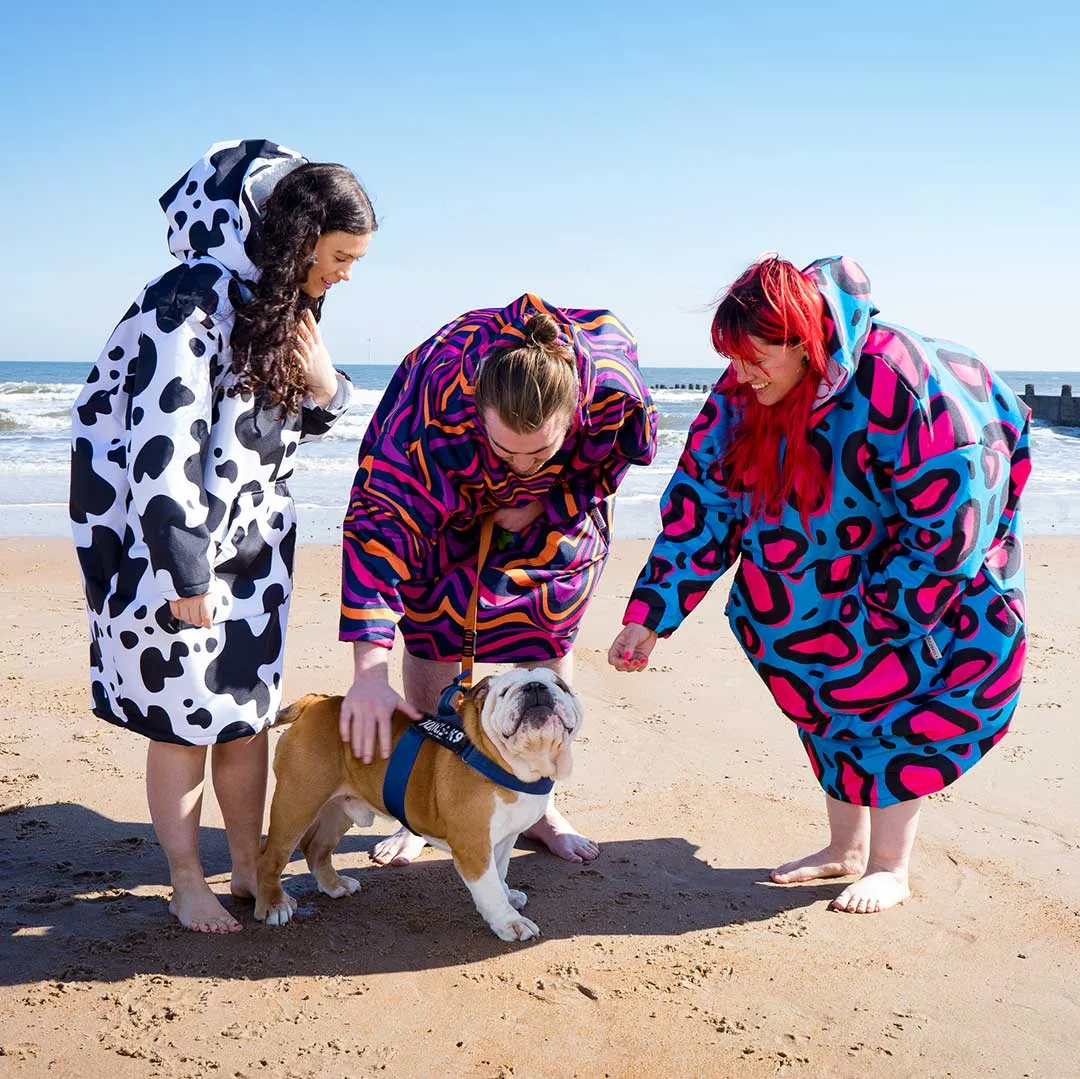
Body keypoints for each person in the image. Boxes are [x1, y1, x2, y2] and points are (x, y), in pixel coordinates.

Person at [608, 255, 1031, 914]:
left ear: (805, 343)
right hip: (811, 581)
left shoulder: (899, 378)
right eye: (732, 358)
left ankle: (891, 865)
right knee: (826, 706)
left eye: (754, 359)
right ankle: (846, 850)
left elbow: (948, 529)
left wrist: (874, 628)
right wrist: (653, 611)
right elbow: (705, 501)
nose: (740, 374)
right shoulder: (743, 386)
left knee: (896, 708)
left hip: (928, 585)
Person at [70, 139, 377, 933]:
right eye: (341, 255)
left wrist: (326, 385)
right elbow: (159, 443)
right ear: (299, 236)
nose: (347, 273)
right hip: (171, 549)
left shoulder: (276, 299)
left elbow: (287, 425)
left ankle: (246, 866)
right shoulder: (190, 296)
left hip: (255, 546)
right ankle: (184, 880)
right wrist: (185, 572)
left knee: (242, 716)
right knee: (182, 723)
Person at [339, 294, 657, 864]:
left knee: (548, 627)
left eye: (538, 450)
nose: (520, 467)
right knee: (435, 625)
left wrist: (551, 495)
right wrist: (368, 669)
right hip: (443, 502)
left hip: (557, 510)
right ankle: (422, 807)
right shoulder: (434, 400)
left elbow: (618, 458)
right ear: (477, 413)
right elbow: (379, 526)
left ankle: (539, 803)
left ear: (576, 411)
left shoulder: (611, 383)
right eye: (506, 450)